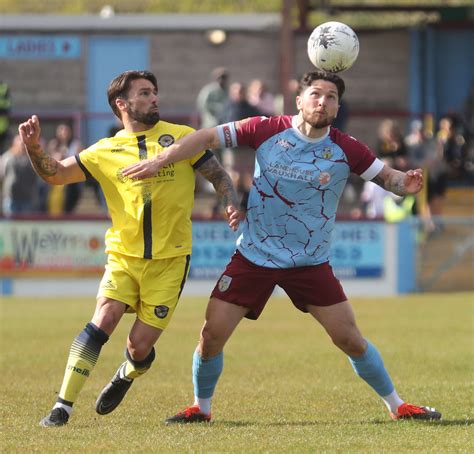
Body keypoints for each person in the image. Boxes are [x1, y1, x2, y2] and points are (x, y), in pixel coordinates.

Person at [122, 70, 442, 424]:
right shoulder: (266, 128)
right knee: (211, 336)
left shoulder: (347, 149)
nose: (323, 102)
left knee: (350, 339)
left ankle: (399, 406)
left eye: (331, 97)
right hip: (254, 255)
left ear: (338, 106)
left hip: (309, 262)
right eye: (316, 94)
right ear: (299, 100)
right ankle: (202, 407)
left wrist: (406, 183)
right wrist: (159, 160)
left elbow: (388, 179)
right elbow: (205, 137)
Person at [18, 70, 240, 427]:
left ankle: (128, 373)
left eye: (155, 92)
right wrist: (33, 148)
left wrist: (230, 201)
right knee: (102, 318)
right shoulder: (104, 151)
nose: (154, 98)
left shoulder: (181, 138)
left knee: (139, 347)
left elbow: (217, 174)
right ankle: (63, 406)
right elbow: (56, 174)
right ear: (122, 104)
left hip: (169, 261)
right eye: (145, 93)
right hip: (123, 256)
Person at [46, 123, 84, 214]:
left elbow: (80, 159)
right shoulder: (54, 144)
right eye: (61, 130)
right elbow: (49, 160)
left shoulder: (76, 144)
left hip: (71, 178)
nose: (64, 133)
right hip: (57, 177)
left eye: (66, 130)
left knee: (69, 199)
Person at [0, 134, 39, 216]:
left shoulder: (33, 158)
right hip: (10, 198)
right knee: (9, 225)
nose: (22, 145)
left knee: (25, 225)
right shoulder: (7, 157)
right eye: (20, 142)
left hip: (27, 199)